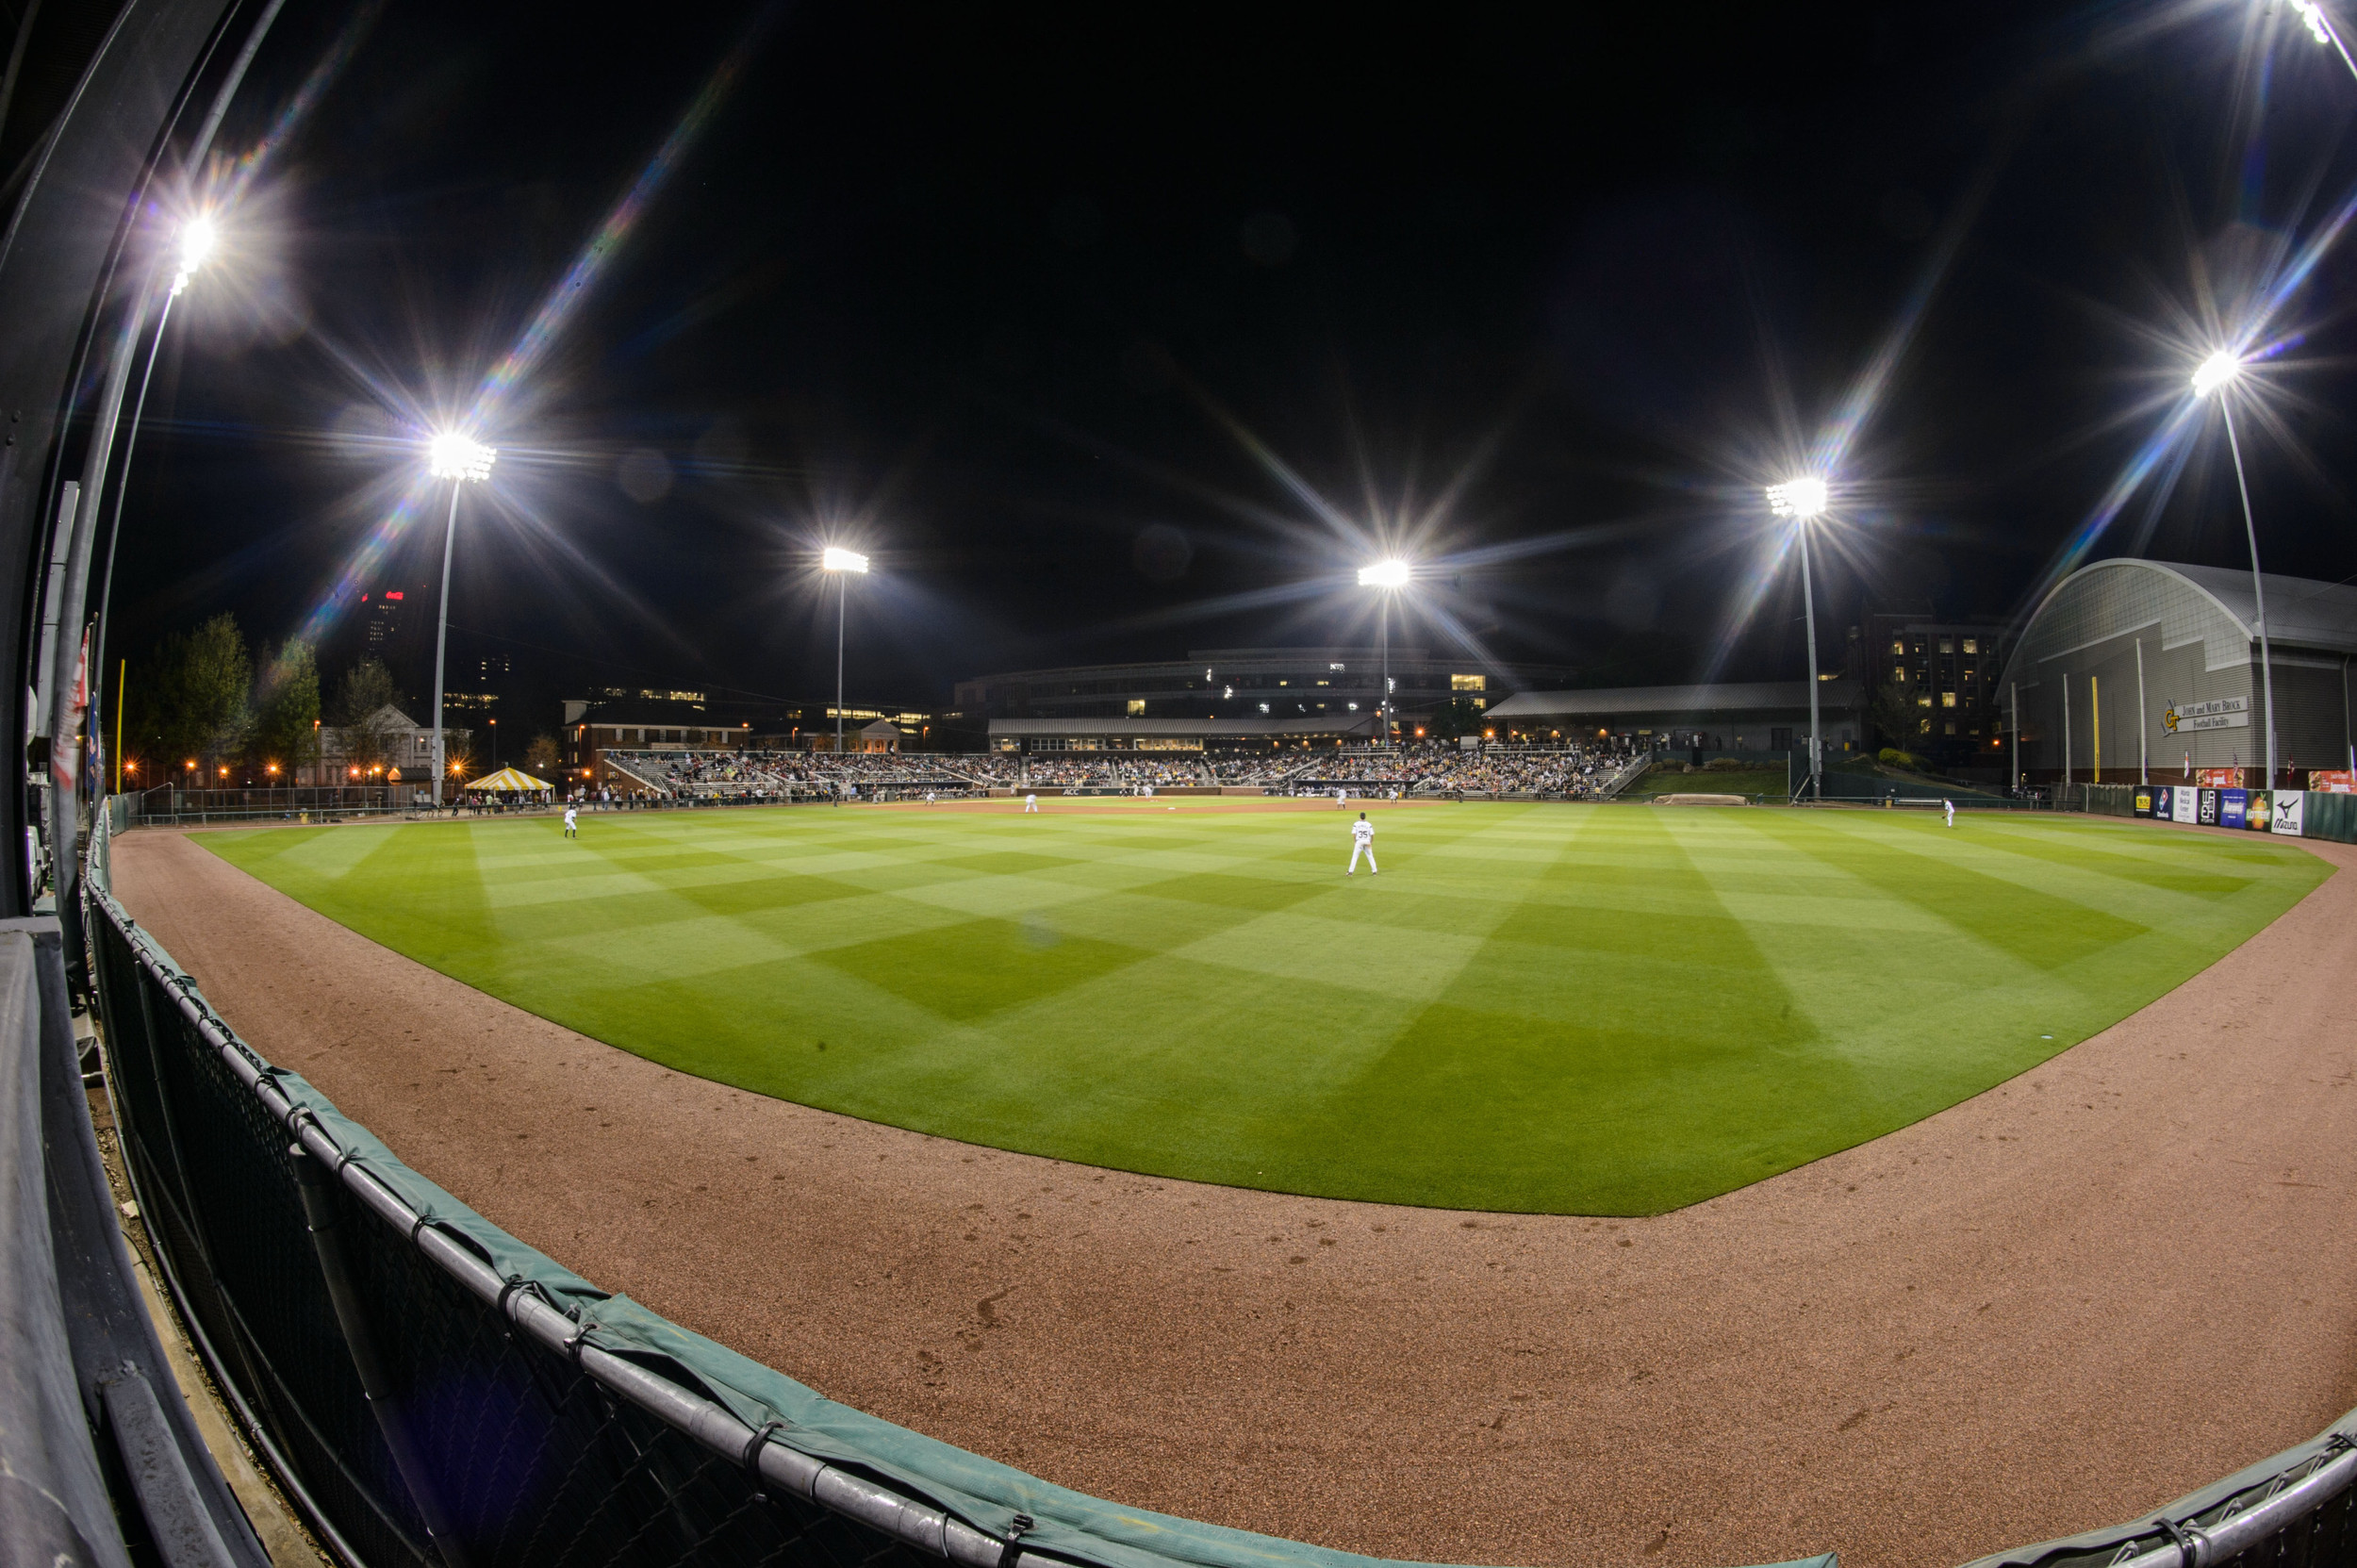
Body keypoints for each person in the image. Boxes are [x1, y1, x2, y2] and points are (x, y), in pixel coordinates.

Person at [1347, 810, 1376, 876]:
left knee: (1355, 857)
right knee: (1370, 857)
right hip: (1367, 841)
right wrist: (1371, 841)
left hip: (1359, 842)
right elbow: (1372, 834)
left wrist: (1355, 841)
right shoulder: (1369, 824)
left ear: (1360, 817)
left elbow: (1354, 834)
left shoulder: (1356, 824)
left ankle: (1350, 872)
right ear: (1365, 817)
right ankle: (1374, 871)